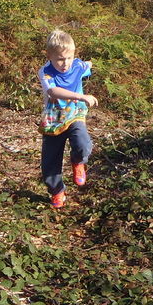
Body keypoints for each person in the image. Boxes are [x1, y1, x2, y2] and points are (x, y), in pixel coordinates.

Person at [38, 29, 97, 208]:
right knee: (50, 160)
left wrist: (89, 63)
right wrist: (81, 96)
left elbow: (89, 65)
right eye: (60, 59)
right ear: (49, 56)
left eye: (69, 58)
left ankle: (78, 161)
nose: (65, 64)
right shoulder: (46, 72)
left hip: (75, 113)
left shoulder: (78, 65)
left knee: (82, 143)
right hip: (54, 117)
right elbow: (53, 91)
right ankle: (57, 191)